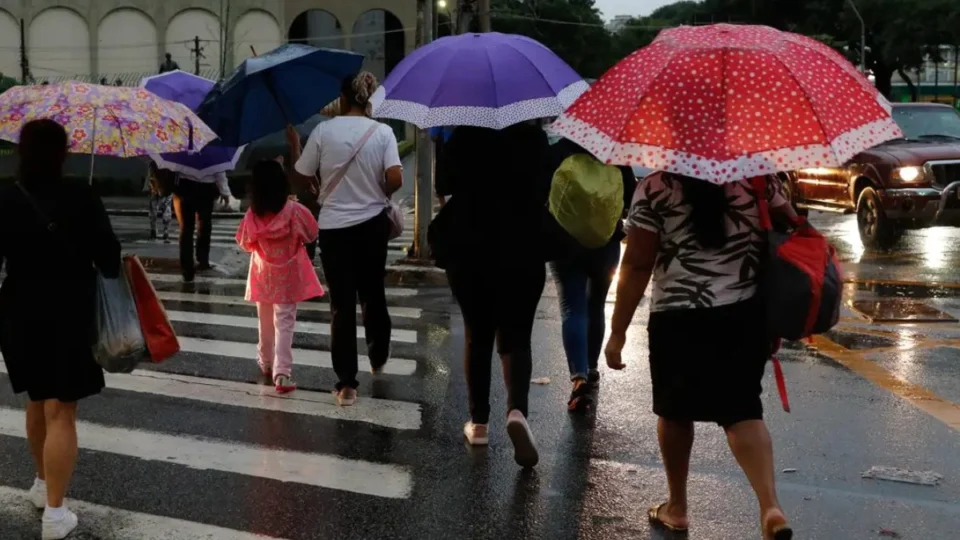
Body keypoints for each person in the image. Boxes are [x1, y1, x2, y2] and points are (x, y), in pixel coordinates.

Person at [604, 172, 796, 539]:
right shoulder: (758, 180)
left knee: (675, 413)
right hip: (743, 315)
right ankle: (770, 506)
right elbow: (791, 228)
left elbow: (637, 264)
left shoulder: (655, 188)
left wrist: (617, 332)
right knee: (742, 412)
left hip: (678, 316)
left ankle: (677, 507)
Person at [0, 119, 121, 539]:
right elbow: (109, 260)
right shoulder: (81, 195)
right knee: (61, 410)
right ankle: (55, 513)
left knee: (37, 399)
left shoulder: (6, 196)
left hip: (18, 311)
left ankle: (40, 483)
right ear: (63, 153)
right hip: (70, 311)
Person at [433, 122, 550, 467]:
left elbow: (444, 187)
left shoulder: (463, 136)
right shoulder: (535, 138)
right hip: (524, 245)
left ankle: (479, 423)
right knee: (517, 338)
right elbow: (545, 187)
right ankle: (516, 412)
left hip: (470, 247)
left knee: (478, 335)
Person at [288, 71, 403, 406]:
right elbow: (395, 177)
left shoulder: (323, 131)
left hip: (334, 228)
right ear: (367, 99)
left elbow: (301, 177)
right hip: (372, 226)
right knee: (372, 293)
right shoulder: (383, 132)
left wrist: (295, 146)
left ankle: (346, 385)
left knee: (341, 304)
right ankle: (378, 354)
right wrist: (379, 190)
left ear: (343, 98)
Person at [546, 138, 636, 411]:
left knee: (572, 307)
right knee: (596, 304)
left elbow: (543, 192)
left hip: (563, 242)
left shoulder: (559, 150)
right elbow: (630, 197)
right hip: (605, 243)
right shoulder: (616, 150)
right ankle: (592, 366)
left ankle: (578, 377)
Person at [236, 160, 324, 394]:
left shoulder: (253, 214)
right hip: (287, 274)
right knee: (284, 321)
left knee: (264, 319)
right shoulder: (295, 211)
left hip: (262, 273)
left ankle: (265, 361)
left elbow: (244, 242)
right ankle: (282, 372)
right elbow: (312, 233)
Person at [172, 171, 232, 282]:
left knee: (186, 228)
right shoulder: (211, 154)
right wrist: (225, 191)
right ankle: (202, 260)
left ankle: (187, 267)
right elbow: (218, 170)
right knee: (204, 225)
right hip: (206, 187)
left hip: (184, 187)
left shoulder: (181, 153)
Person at [145, 161, 174, 243]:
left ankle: (165, 232)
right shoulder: (153, 164)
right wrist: (152, 187)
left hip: (166, 191)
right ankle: (154, 231)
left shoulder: (169, 164)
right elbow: (150, 177)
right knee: (153, 212)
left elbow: (172, 178)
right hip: (156, 191)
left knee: (166, 213)